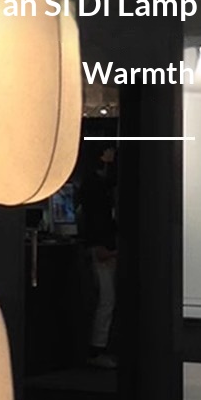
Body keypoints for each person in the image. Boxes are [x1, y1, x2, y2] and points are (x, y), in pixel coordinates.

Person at [78, 146, 118, 369]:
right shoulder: (98, 186)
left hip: (101, 246)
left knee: (105, 299)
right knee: (106, 299)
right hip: (102, 247)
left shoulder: (96, 184)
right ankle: (97, 348)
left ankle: (98, 347)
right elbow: (97, 218)